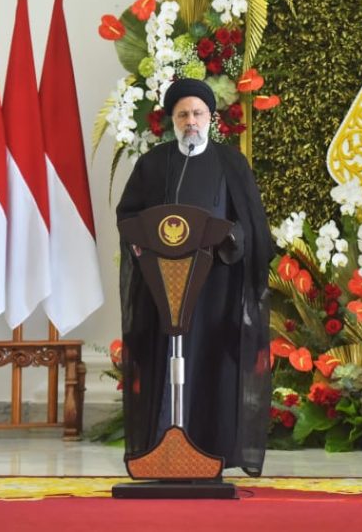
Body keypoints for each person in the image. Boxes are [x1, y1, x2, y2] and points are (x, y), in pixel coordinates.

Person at [116, 78, 273, 477]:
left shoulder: (230, 163)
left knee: (211, 367)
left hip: (215, 288)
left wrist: (231, 238)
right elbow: (128, 217)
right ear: (172, 119)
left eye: (198, 114)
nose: (191, 122)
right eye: (183, 114)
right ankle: (162, 448)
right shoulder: (154, 163)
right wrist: (141, 245)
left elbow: (251, 225)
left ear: (211, 119)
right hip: (163, 289)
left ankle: (210, 450)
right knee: (164, 366)